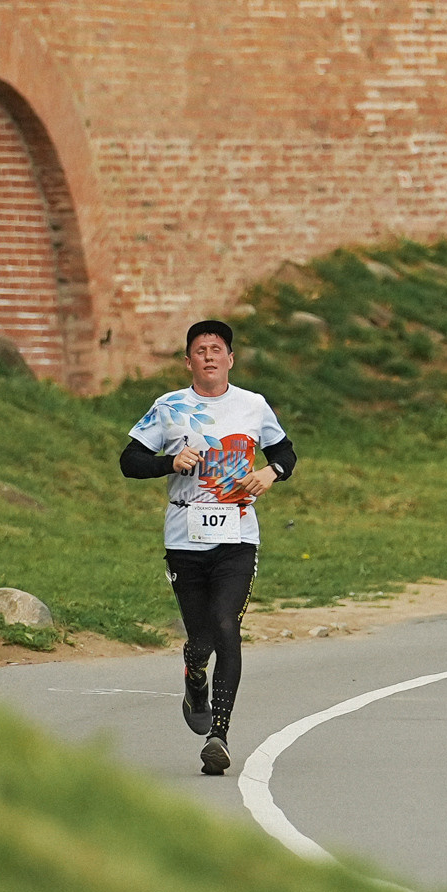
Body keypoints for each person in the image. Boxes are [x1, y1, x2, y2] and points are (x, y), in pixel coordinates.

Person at [119, 319, 298, 777]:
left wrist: (270, 472)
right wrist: (169, 462)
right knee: (200, 639)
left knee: (225, 626)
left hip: (238, 536)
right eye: (200, 351)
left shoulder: (253, 405)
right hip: (184, 538)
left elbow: (286, 453)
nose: (209, 357)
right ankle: (193, 670)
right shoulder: (169, 407)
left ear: (230, 359)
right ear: (188, 362)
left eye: (217, 349)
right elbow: (129, 461)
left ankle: (218, 735)